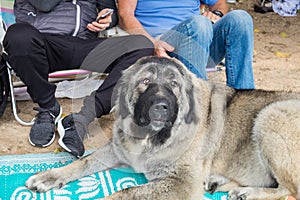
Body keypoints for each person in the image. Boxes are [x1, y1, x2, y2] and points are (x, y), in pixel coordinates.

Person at [3, 0, 153, 157]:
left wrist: (107, 18)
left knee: (142, 45)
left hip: (83, 44)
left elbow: (109, 9)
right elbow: (44, 4)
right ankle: (47, 107)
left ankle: (81, 118)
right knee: (17, 36)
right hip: (41, 44)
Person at [117, 0, 255, 89]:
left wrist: (216, 13)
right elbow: (125, 16)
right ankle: (200, 107)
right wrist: (152, 44)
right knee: (199, 23)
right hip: (161, 45)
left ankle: (243, 100)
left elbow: (220, 3)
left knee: (240, 19)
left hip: (201, 42)